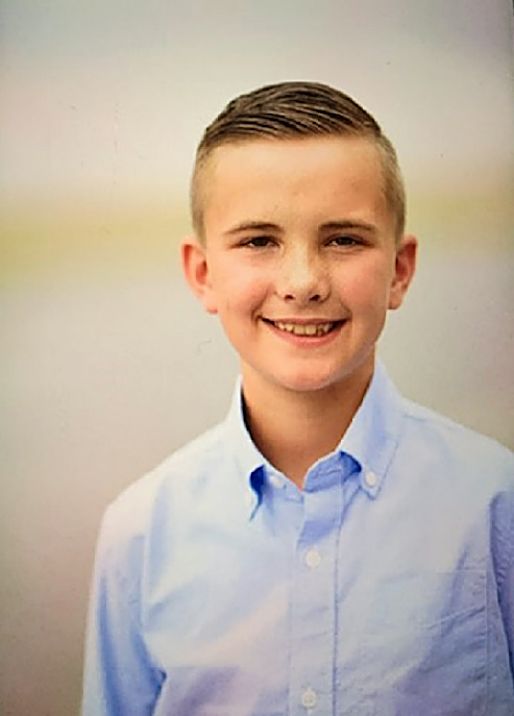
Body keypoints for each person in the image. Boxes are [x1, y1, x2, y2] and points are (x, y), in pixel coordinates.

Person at [82, 81, 514, 715]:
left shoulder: (495, 505)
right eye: (259, 241)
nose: (303, 283)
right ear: (203, 273)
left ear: (399, 270)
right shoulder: (141, 534)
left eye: (343, 240)